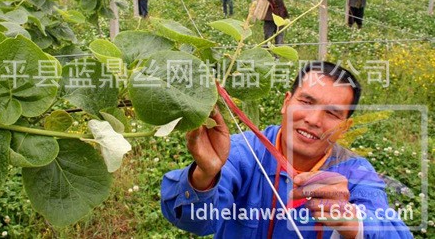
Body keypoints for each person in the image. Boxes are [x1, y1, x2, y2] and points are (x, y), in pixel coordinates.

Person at [161, 61, 412, 238]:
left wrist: (352, 218)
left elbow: (395, 232)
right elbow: (195, 221)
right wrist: (204, 177)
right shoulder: (243, 152)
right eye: (306, 102)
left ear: (345, 127)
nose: (314, 120)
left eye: (332, 113)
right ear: (286, 102)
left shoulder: (355, 173)